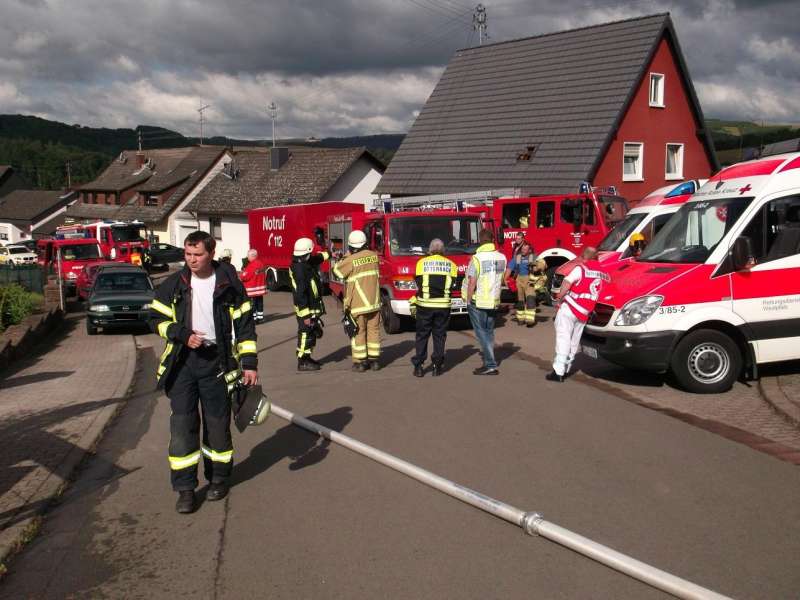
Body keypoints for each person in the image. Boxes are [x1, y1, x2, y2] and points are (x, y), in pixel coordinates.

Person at [149, 231, 258, 514]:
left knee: (217, 426)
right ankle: (185, 489)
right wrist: (181, 334)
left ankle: (218, 479)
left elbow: (245, 325)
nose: (192, 260)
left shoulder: (228, 283)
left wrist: (249, 363)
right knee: (183, 429)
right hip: (183, 364)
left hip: (217, 364)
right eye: (188, 254)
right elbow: (155, 318)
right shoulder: (174, 284)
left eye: (197, 255)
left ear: (211, 253)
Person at [547, 246, 610, 382]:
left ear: (583, 257)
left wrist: (559, 297)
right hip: (585, 312)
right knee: (574, 341)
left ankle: (558, 371)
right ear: (596, 257)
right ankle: (567, 368)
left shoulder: (581, 268)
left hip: (570, 307)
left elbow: (567, 282)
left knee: (563, 338)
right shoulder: (604, 273)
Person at [332, 230, 381, 372]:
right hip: (374, 302)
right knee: (374, 331)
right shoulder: (374, 256)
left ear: (352, 246)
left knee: (358, 333)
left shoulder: (351, 259)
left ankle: (360, 362)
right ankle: (375, 361)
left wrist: (346, 256)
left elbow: (337, 272)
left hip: (358, 304)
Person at [410, 238, 457, 377]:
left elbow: (418, 282)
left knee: (422, 336)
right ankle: (437, 365)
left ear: (430, 249)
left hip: (425, 305)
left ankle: (418, 366)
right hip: (443, 306)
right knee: (439, 336)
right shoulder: (451, 265)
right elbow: (453, 284)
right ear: (443, 250)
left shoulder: (421, 263)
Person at [463, 228, 506, 375]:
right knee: (488, 331)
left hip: (479, 301)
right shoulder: (501, 257)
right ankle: (490, 361)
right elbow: (502, 278)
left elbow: (472, 283)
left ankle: (490, 364)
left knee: (481, 332)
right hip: (494, 300)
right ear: (492, 239)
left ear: (480, 241)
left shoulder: (477, 258)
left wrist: (468, 301)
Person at [290, 237, 329, 372]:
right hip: (305, 309)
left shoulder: (303, 262)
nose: (311, 255)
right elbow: (300, 294)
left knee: (311, 332)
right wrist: (306, 315)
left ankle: (307, 357)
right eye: (310, 252)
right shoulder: (299, 270)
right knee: (306, 333)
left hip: (311, 306)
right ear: (306, 253)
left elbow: (316, 259)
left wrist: (329, 254)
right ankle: (303, 361)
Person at [504, 241, 539, 327]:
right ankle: (521, 319)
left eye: (525, 249)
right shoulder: (517, 258)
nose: (523, 250)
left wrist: (536, 268)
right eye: (522, 249)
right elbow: (509, 268)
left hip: (529, 280)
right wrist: (505, 279)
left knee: (530, 299)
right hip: (519, 280)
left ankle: (530, 321)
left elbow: (539, 266)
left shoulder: (533, 257)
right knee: (520, 301)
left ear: (529, 250)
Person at [239, 249, 267, 322]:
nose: (247, 258)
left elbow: (245, 276)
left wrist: (242, 274)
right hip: (260, 288)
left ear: (252, 256)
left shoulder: (251, 265)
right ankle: (260, 318)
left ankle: (254, 319)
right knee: (260, 303)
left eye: (248, 256)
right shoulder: (261, 264)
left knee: (253, 304)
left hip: (252, 289)